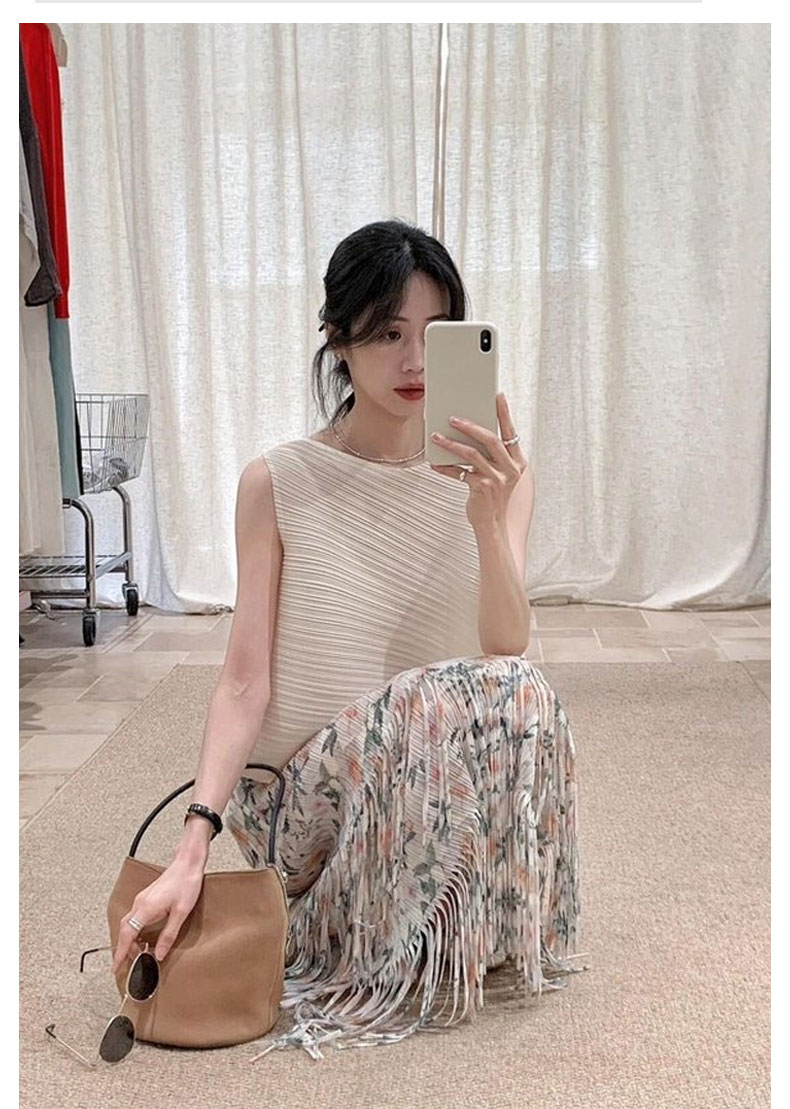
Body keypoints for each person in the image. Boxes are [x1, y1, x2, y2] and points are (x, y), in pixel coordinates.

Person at [111, 218, 589, 1058]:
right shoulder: (279, 481)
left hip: (425, 779)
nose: (414, 360)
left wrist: (486, 517)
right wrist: (192, 845)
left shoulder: (501, 478)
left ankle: (465, 922)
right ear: (337, 337)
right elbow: (243, 681)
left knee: (519, 689)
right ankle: (369, 930)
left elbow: (505, 641)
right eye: (388, 333)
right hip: (303, 809)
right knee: (442, 698)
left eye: (434, 334)